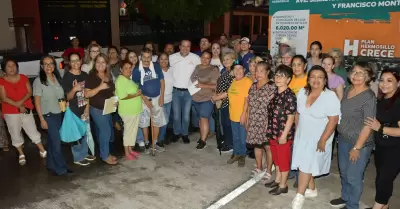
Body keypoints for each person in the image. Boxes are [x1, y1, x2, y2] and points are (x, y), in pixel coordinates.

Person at [291, 66, 340, 209]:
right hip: (302, 134)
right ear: (308, 79)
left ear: (325, 80)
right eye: (313, 76)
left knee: (306, 164)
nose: (316, 80)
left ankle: (299, 196)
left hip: (319, 136)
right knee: (304, 163)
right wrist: (297, 130)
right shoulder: (302, 92)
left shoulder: (330, 97)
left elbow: (333, 120)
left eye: (320, 77)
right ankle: (311, 189)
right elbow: (298, 113)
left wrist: (323, 139)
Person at [330, 62, 376, 209]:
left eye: (361, 73)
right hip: (343, 139)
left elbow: (368, 125)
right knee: (344, 172)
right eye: (354, 72)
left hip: (359, 144)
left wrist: (357, 148)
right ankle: (345, 197)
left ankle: (352, 205)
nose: (356, 75)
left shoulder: (369, 97)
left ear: (368, 76)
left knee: (353, 176)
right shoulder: (349, 89)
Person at [364, 68, 400, 209]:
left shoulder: (398, 103)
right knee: (381, 179)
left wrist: (380, 128)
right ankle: (384, 206)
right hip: (381, 147)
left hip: (395, 149)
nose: (384, 84)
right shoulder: (382, 99)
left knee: (383, 180)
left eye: (389, 80)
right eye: (382, 80)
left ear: (398, 83)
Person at [0, 59, 47, 166]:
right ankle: (21, 153)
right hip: (10, 111)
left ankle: (42, 149)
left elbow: (29, 92)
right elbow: (3, 98)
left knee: (32, 129)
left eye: (14, 65)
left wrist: (21, 104)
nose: (12, 68)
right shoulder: (1, 81)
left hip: (25, 108)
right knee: (15, 132)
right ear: (4, 69)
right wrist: (18, 106)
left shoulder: (23, 77)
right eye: (9, 66)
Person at [33, 55, 70, 175]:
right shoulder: (39, 81)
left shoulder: (57, 77)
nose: (49, 66)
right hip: (48, 115)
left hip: (58, 114)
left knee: (52, 141)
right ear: (42, 66)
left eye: (51, 63)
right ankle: (61, 168)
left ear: (54, 65)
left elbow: (61, 96)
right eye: (46, 64)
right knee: (57, 143)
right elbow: (37, 101)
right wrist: (41, 119)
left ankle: (51, 165)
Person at [265, 65, 296, 195]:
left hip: (283, 134)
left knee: (283, 160)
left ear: (288, 79)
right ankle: (277, 180)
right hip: (273, 131)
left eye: (282, 76)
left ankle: (283, 185)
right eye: (277, 75)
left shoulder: (289, 95)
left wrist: (284, 135)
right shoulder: (275, 93)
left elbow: (291, 117)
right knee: (276, 158)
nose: (278, 78)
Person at [62, 52, 95, 166]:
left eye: (77, 60)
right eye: (73, 61)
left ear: (81, 61)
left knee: (85, 132)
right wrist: (74, 89)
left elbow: (88, 93)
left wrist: (87, 107)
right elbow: (67, 97)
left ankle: (84, 153)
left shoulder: (85, 75)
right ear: (69, 63)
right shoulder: (67, 77)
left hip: (84, 107)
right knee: (76, 135)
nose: (75, 63)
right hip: (73, 110)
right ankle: (78, 157)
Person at [85, 53, 117, 165]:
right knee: (106, 131)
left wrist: (115, 99)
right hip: (97, 109)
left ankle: (106, 153)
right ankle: (104, 156)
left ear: (107, 64)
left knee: (104, 132)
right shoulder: (92, 76)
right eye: (98, 62)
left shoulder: (108, 75)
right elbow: (87, 94)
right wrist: (100, 87)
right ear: (95, 63)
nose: (100, 64)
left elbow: (111, 91)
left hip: (108, 107)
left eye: (103, 62)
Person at [132, 48, 166, 154]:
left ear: (151, 57)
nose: (146, 59)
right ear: (141, 57)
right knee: (144, 123)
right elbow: (135, 88)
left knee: (157, 122)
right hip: (144, 99)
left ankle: (154, 144)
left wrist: (162, 97)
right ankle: (147, 143)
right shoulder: (137, 70)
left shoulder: (156, 66)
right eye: (144, 57)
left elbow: (162, 81)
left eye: (149, 57)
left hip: (157, 98)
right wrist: (145, 99)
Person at [246, 62, 276, 180]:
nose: (258, 74)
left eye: (261, 71)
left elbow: (274, 107)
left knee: (268, 147)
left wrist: (268, 122)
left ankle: (268, 170)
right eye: (256, 71)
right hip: (254, 120)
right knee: (257, 146)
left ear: (267, 72)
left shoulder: (272, 87)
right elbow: (249, 104)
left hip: (265, 121)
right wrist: (248, 119)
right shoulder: (253, 86)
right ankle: (258, 167)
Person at [169, 40, 201, 144]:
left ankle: (185, 134)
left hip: (188, 92)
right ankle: (176, 132)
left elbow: (200, 72)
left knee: (186, 116)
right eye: (183, 46)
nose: (185, 48)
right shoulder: (172, 58)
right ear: (179, 47)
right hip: (175, 91)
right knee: (176, 115)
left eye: (188, 46)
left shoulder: (195, 58)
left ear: (190, 47)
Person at [190, 51, 220, 150]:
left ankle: (203, 140)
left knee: (204, 118)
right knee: (201, 119)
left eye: (207, 58)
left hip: (207, 98)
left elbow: (216, 86)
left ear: (210, 59)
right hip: (196, 97)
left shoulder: (213, 69)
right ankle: (202, 136)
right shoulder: (198, 67)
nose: (205, 60)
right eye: (203, 57)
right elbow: (192, 78)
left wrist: (203, 85)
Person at [115, 60, 143, 160]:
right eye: (126, 68)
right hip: (127, 111)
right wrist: (136, 94)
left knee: (133, 131)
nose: (128, 70)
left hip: (135, 110)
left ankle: (130, 149)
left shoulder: (128, 79)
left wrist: (138, 92)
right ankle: (127, 152)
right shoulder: (120, 80)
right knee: (128, 132)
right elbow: (122, 96)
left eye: (130, 68)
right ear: (121, 69)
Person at [226, 61, 252, 166]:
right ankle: (235, 153)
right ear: (233, 71)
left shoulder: (247, 81)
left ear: (244, 70)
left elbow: (247, 99)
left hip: (242, 115)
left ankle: (242, 155)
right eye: (235, 69)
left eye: (240, 68)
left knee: (242, 137)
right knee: (235, 136)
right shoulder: (233, 81)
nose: (238, 71)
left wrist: (244, 114)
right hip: (233, 114)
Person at [212, 52, 236, 152]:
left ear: (233, 60)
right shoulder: (224, 71)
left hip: (229, 101)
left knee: (228, 123)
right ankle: (226, 141)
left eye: (228, 59)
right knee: (224, 123)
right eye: (224, 59)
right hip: (222, 101)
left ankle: (230, 144)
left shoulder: (234, 72)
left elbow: (232, 89)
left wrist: (218, 97)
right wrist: (216, 95)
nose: (225, 61)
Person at [158, 53, 174, 146]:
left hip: (169, 99)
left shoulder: (171, 70)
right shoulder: (157, 71)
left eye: (166, 59)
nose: (164, 61)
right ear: (158, 60)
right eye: (161, 59)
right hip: (160, 99)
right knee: (164, 120)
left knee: (165, 120)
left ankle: (161, 138)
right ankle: (160, 139)